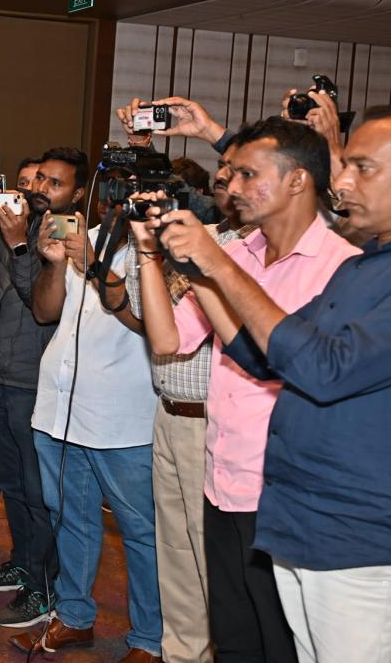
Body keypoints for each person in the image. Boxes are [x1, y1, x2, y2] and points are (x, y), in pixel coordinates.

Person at [149, 105, 391, 663]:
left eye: (362, 168)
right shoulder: (363, 268)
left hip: (356, 529)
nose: (343, 183)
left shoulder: (343, 260)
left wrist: (219, 266)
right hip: (296, 507)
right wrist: (205, 272)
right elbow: (263, 358)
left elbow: (324, 367)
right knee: (252, 642)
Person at [11, 154, 163, 661]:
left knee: (140, 532)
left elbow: (149, 324)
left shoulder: (156, 248)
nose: (114, 197)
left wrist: (94, 267)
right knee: (69, 519)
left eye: (126, 187)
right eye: (109, 185)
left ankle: (150, 638)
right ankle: (74, 616)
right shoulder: (82, 236)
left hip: (123, 416)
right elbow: (45, 311)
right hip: (59, 407)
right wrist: (55, 264)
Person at [121, 135, 250, 663]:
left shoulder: (241, 251)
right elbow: (152, 321)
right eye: (223, 172)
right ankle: (181, 654)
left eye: (237, 173)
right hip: (169, 410)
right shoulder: (202, 237)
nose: (226, 182)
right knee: (174, 551)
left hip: (213, 420)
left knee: (211, 558)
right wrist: (147, 247)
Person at [0, 152, 74, 629]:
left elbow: (42, 304)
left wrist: (18, 244)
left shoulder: (64, 234)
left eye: (52, 182)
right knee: (10, 483)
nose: (38, 188)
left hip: (33, 380)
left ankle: (45, 586)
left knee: (36, 490)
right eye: (34, 180)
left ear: (76, 193)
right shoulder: (10, 229)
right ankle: (24, 564)